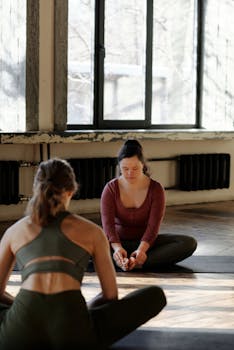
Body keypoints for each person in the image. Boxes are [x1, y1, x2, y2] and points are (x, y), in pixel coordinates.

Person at [0, 158, 166, 350]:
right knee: (155, 295)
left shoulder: (14, 231)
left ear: (36, 189)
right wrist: (83, 314)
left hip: (18, 335)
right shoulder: (92, 231)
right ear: (71, 191)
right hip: (73, 333)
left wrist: (21, 307)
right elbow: (110, 296)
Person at [100, 139, 197, 272]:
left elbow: (153, 227)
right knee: (82, 243)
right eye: (125, 169)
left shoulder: (156, 189)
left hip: (147, 244)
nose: (129, 173)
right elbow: (108, 226)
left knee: (188, 243)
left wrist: (141, 251)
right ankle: (121, 259)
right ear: (119, 167)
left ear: (143, 166)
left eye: (135, 168)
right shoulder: (111, 188)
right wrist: (117, 249)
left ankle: (139, 261)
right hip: (117, 242)